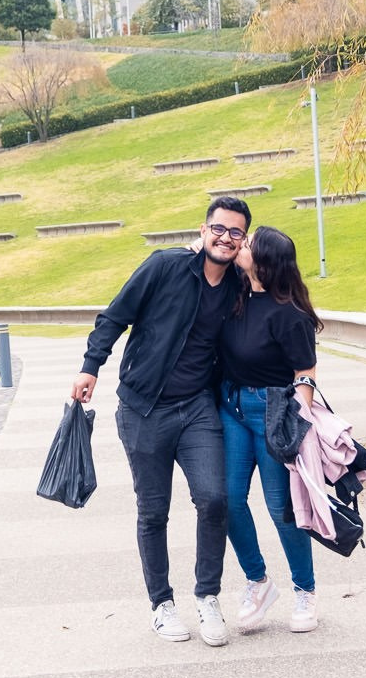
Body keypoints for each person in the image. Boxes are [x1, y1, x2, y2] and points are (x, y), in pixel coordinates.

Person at [73, 195, 251, 647]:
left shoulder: (238, 287)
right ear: (203, 228)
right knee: (153, 512)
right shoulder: (165, 266)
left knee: (214, 499)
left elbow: (276, 278)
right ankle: (161, 604)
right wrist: (90, 367)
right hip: (142, 410)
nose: (226, 237)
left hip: (197, 409)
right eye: (219, 228)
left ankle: (208, 596)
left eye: (236, 232)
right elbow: (113, 317)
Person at [218, 225, 324, 633]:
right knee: (226, 500)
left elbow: (305, 373)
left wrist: (297, 423)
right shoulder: (237, 294)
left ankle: (305, 591)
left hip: (272, 411)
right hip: (232, 408)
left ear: (264, 262)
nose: (238, 246)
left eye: (247, 244)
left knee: (281, 507)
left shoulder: (289, 314)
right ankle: (258, 581)